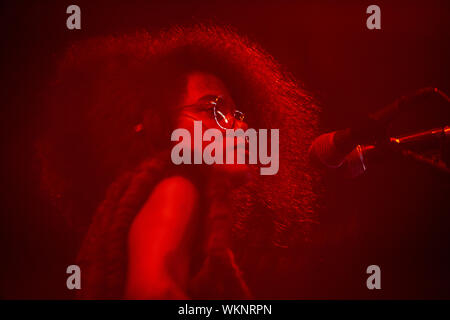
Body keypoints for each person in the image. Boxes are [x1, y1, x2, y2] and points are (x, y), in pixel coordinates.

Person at [36, 24, 320, 299]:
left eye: (238, 113)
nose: (241, 127)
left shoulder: (163, 193)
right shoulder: (177, 188)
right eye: (213, 109)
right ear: (159, 125)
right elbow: (152, 293)